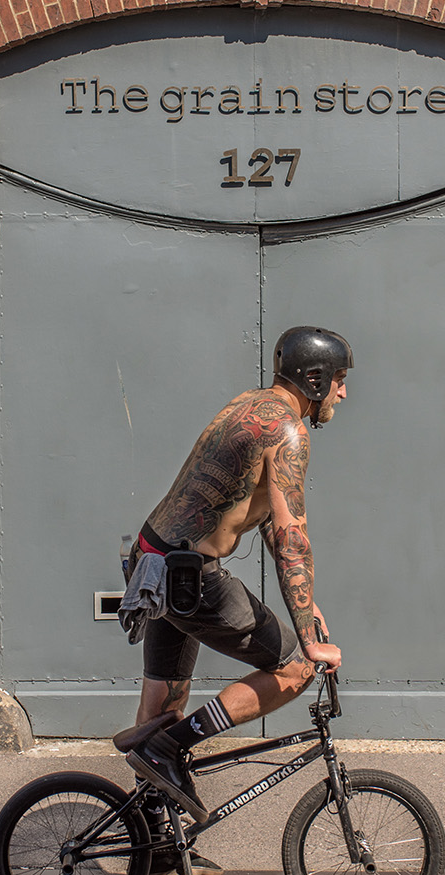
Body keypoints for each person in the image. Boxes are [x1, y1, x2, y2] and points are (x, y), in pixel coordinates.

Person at [117, 326, 352, 846]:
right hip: (186, 577)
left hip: (153, 561)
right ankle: (167, 749)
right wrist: (309, 641)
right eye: (339, 380)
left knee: (162, 703)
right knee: (296, 668)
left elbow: (262, 511)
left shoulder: (249, 405)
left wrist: (306, 608)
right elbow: (291, 539)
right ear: (315, 380)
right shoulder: (288, 432)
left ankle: (153, 844)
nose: (343, 392)